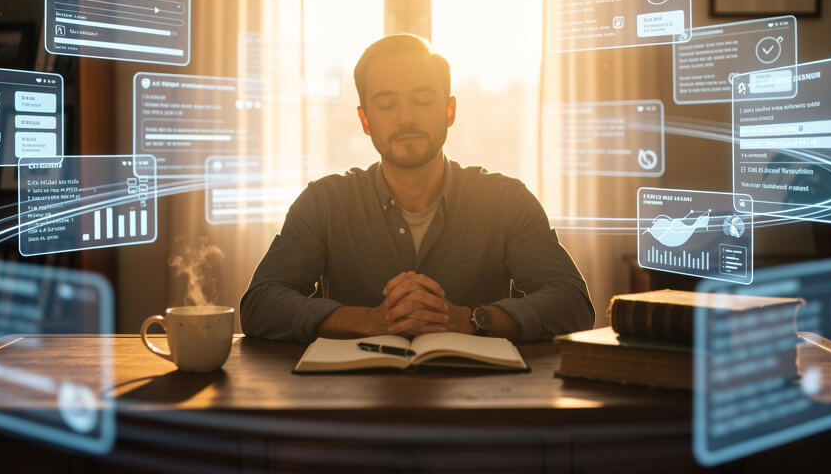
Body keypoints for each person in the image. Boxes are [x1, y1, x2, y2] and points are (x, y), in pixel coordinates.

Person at [239, 34, 594, 342]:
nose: (406, 117)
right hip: (350, 392)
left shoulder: (506, 200)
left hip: (482, 393)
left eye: (422, 101)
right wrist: (368, 321)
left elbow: (573, 302)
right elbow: (260, 304)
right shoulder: (324, 202)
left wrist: (471, 320)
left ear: (449, 111)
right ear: (365, 120)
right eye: (386, 104)